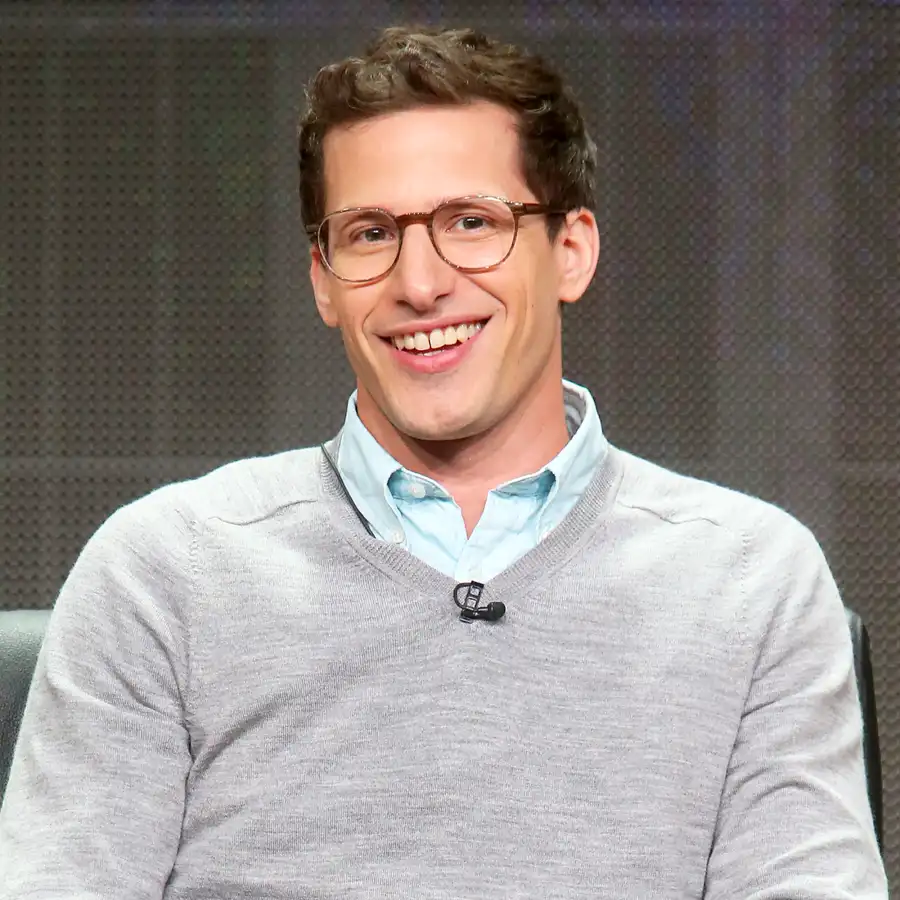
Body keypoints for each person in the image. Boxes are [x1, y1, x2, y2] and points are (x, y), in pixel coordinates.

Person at [0, 24, 887, 900]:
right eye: (371, 234)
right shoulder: (165, 570)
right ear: (322, 279)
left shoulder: (751, 581)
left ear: (570, 250)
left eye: (472, 221)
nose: (419, 283)